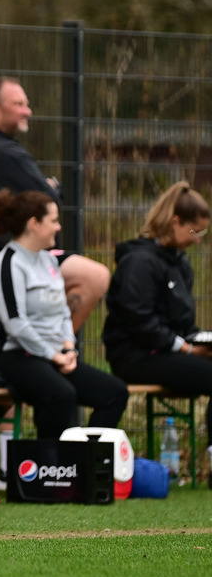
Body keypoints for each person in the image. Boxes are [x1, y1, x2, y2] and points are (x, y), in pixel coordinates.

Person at [0, 189, 128, 483]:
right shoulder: (7, 264)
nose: (58, 227)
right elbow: (16, 325)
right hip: (8, 357)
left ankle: (86, 468)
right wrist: (54, 356)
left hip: (50, 356)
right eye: (54, 220)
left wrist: (68, 348)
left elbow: (62, 312)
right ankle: (45, 472)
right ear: (34, 223)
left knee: (114, 393)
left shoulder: (48, 261)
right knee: (61, 394)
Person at [0, 77, 109, 332]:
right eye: (18, 104)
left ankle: (46, 345)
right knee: (95, 277)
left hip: (7, 260)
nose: (27, 111)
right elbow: (46, 199)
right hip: (11, 262)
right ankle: (52, 347)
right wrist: (52, 188)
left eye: (26, 104)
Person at [102, 181, 212, 487]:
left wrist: (199, 341)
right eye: (195, 231)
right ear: (175, 222)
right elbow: (139, 321)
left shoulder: (179, 263)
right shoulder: (139, 262)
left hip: (167, 350)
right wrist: (186, 349)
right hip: (135, 355)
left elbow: (183, 324)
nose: (198, 240)